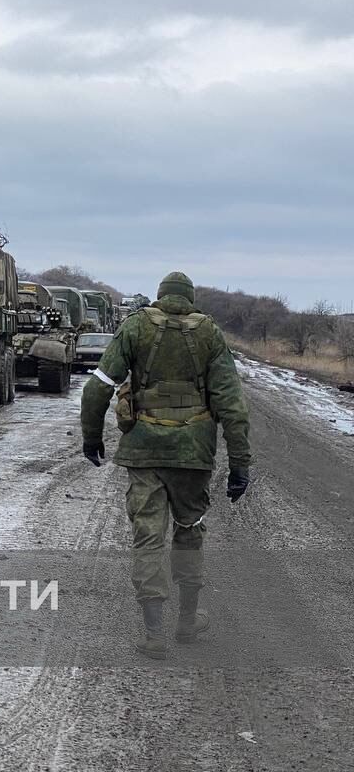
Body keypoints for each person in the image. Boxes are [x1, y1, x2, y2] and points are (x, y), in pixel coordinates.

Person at [80, 271, 251, 659]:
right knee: (189, 531)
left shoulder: (136, 327)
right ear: (190, 300)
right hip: (193, 454)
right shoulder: (210, 333)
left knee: (148, 536)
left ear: (160, 297)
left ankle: (154, 633)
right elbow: (231, 404)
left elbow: (98, 386)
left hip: (144, 452)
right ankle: (187, 623)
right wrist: (240, 462)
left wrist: (91, 437)